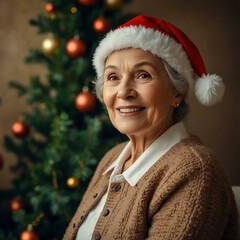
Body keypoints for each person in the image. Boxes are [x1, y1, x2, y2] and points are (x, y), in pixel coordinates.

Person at [63, 15, 238, 240]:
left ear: (177, 92)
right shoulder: (112, 159)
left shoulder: (195, 171)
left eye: (143, 75)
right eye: (113, 77)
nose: (124, 91)